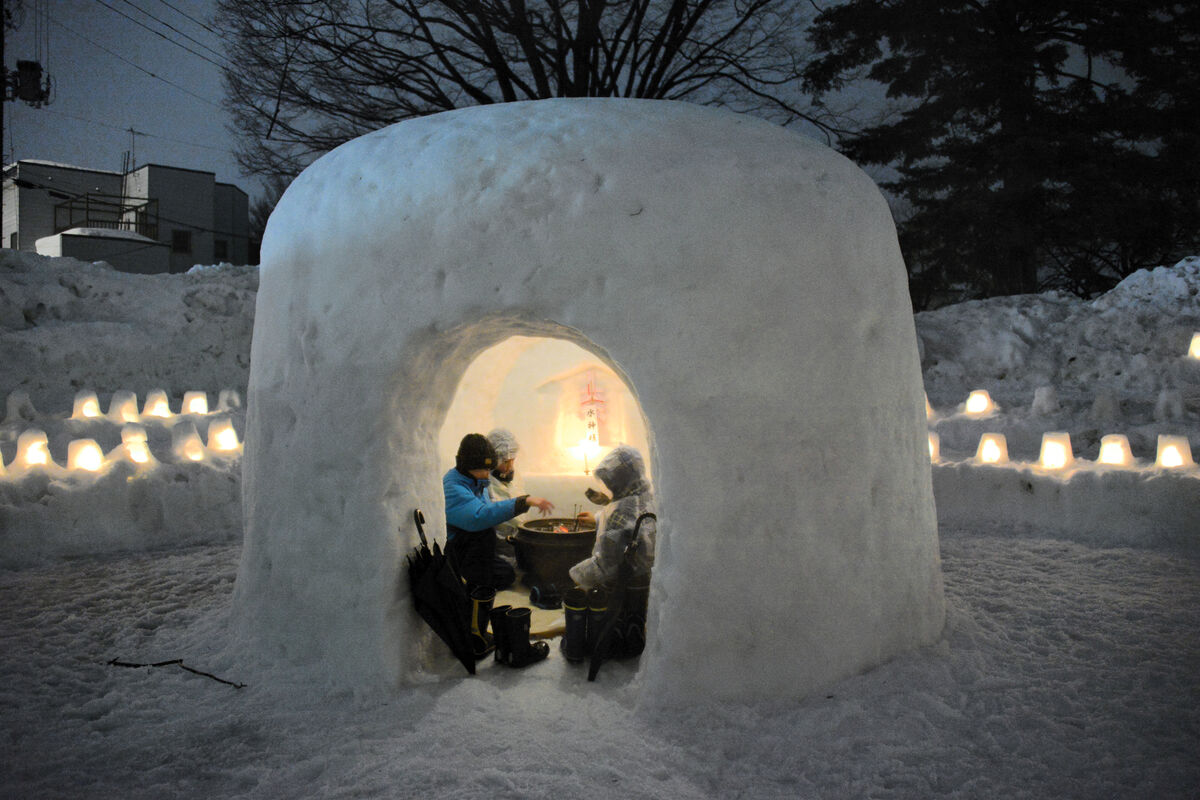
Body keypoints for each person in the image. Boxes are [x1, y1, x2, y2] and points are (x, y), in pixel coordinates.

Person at [443, 433, 553, 592]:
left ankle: (479, 576)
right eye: (484, 469)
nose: (488, 473)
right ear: (469, 466)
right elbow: (480, 516)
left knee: (507, 574)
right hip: (459, 550)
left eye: (489, 469)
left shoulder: (477, 482)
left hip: (478, 552)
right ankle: (466, 581)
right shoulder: (453, 486)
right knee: (485, 537)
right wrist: (523, 502)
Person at [568, 444, 655, 590]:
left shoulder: (620, 511)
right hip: (647, 581)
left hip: (623, 588)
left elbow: (606, 565)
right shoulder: (648, 497)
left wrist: (576, 575)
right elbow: (630, 525)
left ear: (619, 480)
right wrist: (597, 519)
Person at [486, 428, 523, 567]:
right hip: (497, 552)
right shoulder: (486, 485)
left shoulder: (514, 479)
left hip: (516, 547)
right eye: (505, 462)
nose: (509, 467)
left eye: (512, 461)